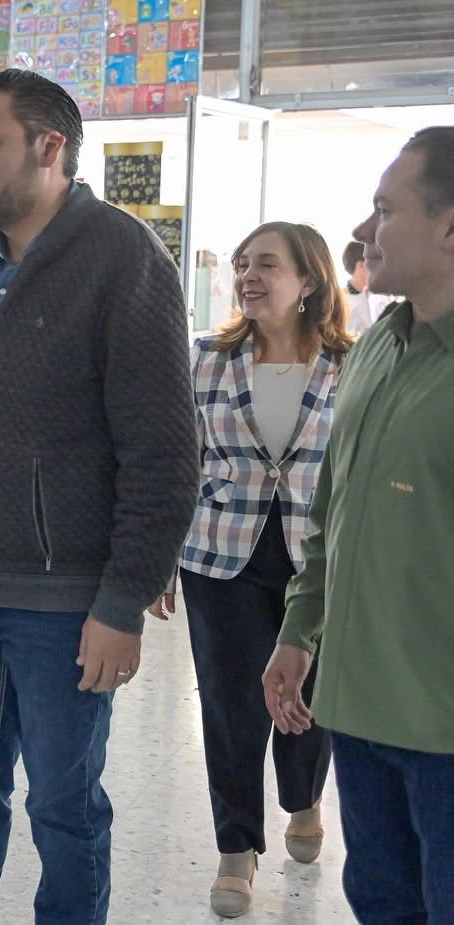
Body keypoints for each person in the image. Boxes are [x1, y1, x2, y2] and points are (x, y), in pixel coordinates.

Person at [0, 68, 198, 924]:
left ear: (49, 146)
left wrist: (122, 599)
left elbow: (163, 453)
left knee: (64, 811)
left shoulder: (124, 257)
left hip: (65, 606)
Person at [264, 127, 454, 923]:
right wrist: (300, 629)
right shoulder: (378, 347)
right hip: (359, 709)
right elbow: (330, 511)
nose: (364, 229)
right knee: (380, 900)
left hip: (441, 725)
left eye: (385, 209)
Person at [152, 222, 352, 918]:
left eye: (266, 264)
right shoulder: (206, 357)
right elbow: (179, 461)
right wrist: (159, 560)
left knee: (312, 695)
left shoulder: (349, 364)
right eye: (242, 264)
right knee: (230, 702)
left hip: (318, 557)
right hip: (219, 553)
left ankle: (303, 797)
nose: (248, 276)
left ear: (308, 281)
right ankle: (235, 849)